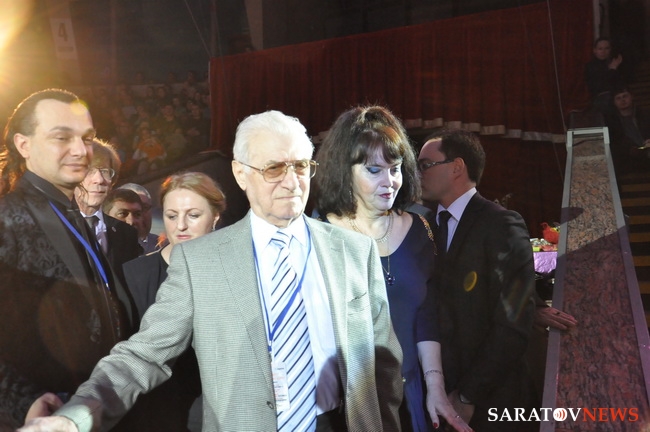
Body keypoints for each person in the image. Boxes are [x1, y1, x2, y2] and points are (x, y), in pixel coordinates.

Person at [19, 110, 403, 432]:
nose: (291, 182)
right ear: (241, 173)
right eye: (273, 168)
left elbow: (383, 364)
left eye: (300, 166)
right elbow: (143, 357)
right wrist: (74, 418)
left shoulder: (354, 251)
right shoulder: (200, 262)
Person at [313, 106, 471, 432]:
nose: (389, 182)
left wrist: (435, 386)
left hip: (411, 393)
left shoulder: (419, 229)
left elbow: (425, 315)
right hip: (349, 401)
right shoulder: (320, 235)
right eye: (374, 170)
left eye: (395, 169)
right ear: (344, 171)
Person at [0, 89, 137, 429]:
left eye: (86, 138)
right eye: (61, 137)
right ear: (24, 145)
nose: (80, 150)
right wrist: (23, 402)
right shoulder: (7, 219)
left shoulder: (73, 217)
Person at [418, 129, 537, 432]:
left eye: (425, 165)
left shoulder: (501, 223)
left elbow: (513, 323)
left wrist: (468, 395)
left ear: (457, 167)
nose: (417, 174)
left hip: (493, 400)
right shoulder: (423, 226)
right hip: (437, 395)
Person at [119, 172, 225, 431]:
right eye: (172, 216)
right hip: (157, 416)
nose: (181, 226)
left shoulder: (237, 273)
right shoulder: (135, 275)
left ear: (215, 216)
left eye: (193, 215)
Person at [74, 139, 142, 287]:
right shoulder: (51, 226)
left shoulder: (126, 234)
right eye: (89, 170)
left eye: (105, 172)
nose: (99, 180)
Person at [605, 87, 650, 176]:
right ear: (614, 102)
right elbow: (615, 142)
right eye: (618, 98)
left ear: (631, 97)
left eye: (625, 96)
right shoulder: (611, 122)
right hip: (627, 158)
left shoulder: (645, 114)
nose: (622, 100)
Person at [584, 37, 625, 114]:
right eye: (600, 49)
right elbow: (599, 87)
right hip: (601, 100)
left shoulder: (614, 63)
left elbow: (621, 84)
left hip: (617, 97)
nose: (603, 51)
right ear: (595, 50)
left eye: (606, 48)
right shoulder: (590, 66)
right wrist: (612, 70)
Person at [118, 183, 160, 254]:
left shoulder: (164, 245)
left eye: (144, 207)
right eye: (125, 212)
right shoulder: (104, 247)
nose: (132, 220)